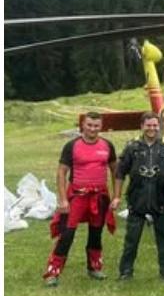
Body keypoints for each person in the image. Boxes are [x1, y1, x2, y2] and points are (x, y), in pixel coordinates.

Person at [43, 112, 118, 286]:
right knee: (67, 233)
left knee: (96, 232)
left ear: (101, 126)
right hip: (77, 196)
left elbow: (115, 170)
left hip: (99, 196)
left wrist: (116, 195)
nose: (92, 129)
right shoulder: (72, 145)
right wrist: (63, 200)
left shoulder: (107, 145)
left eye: (96, 125)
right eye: (89, 125)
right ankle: (53, 272)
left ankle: (94, 267)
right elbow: (61, 172)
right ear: (83, 125)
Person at [115, 113, 164, 280]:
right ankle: (126, 271)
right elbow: (120, 173)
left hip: (161, 199)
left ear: (159, 126)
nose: (152, 128)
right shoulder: (132, 147)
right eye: (148, 125)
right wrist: (116, 197)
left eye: (154, 125)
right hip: (137, 198)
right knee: (132, 238)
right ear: (142, 126)